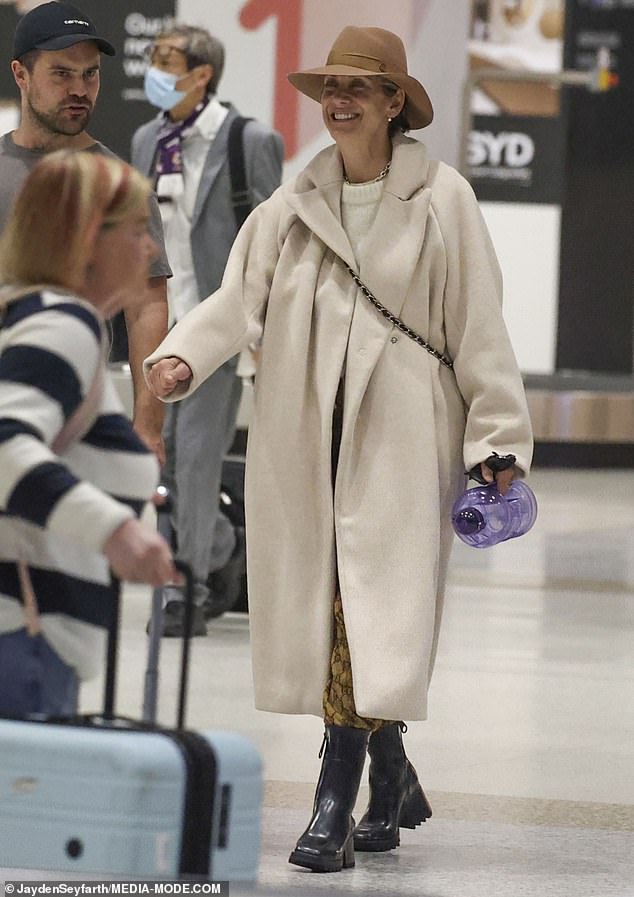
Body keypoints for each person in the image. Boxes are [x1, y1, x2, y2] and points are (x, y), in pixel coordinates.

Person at [144, 26, 534, 873]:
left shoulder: (443, 200)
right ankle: (390, 778)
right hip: (301, 438)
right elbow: (236, 293)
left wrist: (497, 440)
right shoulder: (295, 202)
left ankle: (334, 799)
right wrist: (184, 352)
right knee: (336, 614)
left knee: (365, 616)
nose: (340, 100)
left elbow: (481, 331)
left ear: (396, 102)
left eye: (361, 87)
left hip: (401, 443)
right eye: (331, 86)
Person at [0, 150, 177, 718]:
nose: (148, 247)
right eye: (135, 230)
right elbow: (5, 445)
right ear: (87, 238)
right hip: (23, 637)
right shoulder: (63, 325)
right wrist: (116, 531)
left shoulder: (27, 315)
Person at [131, 23, 283, 636]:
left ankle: (185, 586)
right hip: (157, 324)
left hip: (220, 328)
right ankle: (221, 548)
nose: (155, 71)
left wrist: (263, 329)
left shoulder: (248, 141)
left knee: (195, 458)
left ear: (202, 73)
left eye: (166, 60)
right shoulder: (147, 140)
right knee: (158, 461)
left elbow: (277, 241)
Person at [0, 1, 171, 463]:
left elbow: (147, 306)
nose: (80, 89)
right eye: (62, 74)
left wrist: (148, 425)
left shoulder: (118, 184)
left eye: (90, 74)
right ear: (21, 74)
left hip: (79, 415)